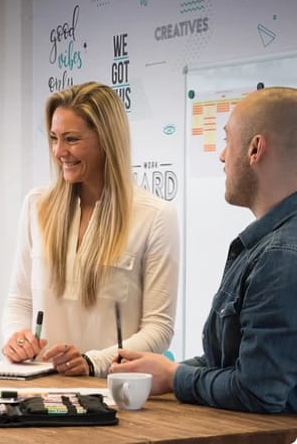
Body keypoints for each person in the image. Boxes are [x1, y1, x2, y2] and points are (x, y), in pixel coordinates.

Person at [110, 86, 297, 413]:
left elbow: (257, 391)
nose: (222, 156)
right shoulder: (269, 247)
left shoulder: (280, 256)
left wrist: (173, 376)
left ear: (255, 149)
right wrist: (167, 369)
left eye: (227, 141)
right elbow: (232, 362)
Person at [2, 81, 179, 377]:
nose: (59, 151)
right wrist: (18, 338)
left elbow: (159, 329)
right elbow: (19, 300)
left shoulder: (156, 216)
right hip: (38, 390)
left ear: (106, 140)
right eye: (54, 138)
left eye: (71, 139)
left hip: (111, 395)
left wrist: (92, 362)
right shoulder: (36, 205)